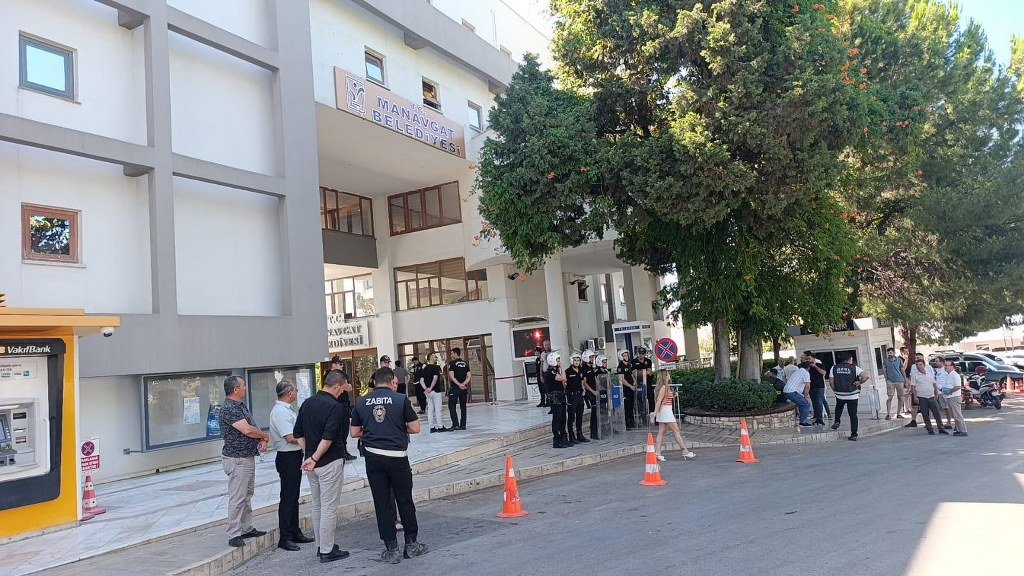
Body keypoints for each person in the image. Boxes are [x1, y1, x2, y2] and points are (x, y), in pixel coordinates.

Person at [350, 367, 427, 564]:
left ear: (374, 382)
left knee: (382, 503)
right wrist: (397, 428)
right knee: (405, 500)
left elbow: (354, 432)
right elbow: (415, 428)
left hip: (374, 458)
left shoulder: (362, 401)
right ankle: (411, 545)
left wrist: (373, 431)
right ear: (392, 380)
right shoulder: (400, 399)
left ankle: (392, 550)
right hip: (398, 457)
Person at [294, 371, 350, 563]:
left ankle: (321, 545)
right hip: (329, 461)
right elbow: (328, 437)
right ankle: (327, 550)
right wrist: (315, 457)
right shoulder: (335, 407)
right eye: (342, 388)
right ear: (336, 386)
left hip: (312, 464)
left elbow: (297, 433)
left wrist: (309, 455)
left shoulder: (307, 403)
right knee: (329, 507)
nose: (343, 392)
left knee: (317, 504)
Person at [219, 376, 268, 548]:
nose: (245, 388)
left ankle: (246, 528)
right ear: (235, 389)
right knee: (238, 497)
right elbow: (247, 430)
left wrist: (261, 438)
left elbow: (252, 425)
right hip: (237, 459)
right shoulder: (229, 408)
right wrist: (264, 435)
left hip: (246, 456)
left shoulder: (240, 406)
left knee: (247, 494)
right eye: (243, 386)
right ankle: (234, 533)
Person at [268, 380, 314, 551]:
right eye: (295, 390)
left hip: (294, 456)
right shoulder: (280, 412)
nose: (296, 392)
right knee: (288, 497)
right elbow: (289, 437)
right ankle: (285, 536)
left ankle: (295, 531)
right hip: (287, 456)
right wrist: (310, 439)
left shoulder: (286, 410)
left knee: (294, 496)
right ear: (289, 393)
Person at [650, 371, 696, 461]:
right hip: (666, 411)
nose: (669, 376)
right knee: (676, 431)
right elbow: (659, 400)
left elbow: (663, 399)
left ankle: (658, 453)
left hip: (664, 411)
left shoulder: (664, 387)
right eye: (668, 374)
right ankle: (685, 451)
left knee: (661, 432)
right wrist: (655, 413)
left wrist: (673, 395)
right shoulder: (664, 387)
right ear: (665, 376)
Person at [829, 354, 868, 441]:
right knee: (853, 415)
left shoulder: (834, 368)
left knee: (838, 407)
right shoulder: (854, 368)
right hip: (852, 395)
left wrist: (836, 390)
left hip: (840, 394)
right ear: (849, 360)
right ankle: (854, 434)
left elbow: (831, 382)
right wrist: (859, 382)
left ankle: (837, 421)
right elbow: (866, 376)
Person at [909, 358, 948, 435]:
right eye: (917, 365)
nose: (918, 366)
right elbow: (913, 387)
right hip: (922, 397)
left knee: (937, 413)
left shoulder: (929, 374)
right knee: (925, 414)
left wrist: (936, 394)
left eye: (920, 364)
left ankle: (941, 428)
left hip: (931, 396)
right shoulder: (915, 375)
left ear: (924, 365)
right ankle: (930, 429)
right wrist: (915, 397)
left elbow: (934, 384)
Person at [328, 357, 357, 462]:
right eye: (340, 364)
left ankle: (344, 451)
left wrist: (343, 385)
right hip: (336, 404)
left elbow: (349, 387)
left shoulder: (342, 375)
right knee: (338, 429)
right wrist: (344, 385)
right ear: (334, 364)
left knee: (345, 429)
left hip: (344, 405)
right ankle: (340, 452)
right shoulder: (330, 375)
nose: (342, 366)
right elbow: (343, 386)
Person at [545, 352, 569, 448]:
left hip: (561, 395)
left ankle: (563, 437)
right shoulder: (550, 372)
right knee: (557, 418)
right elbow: (563, 378)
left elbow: (563, 381)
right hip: (555, 397)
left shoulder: (556, 371)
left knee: (563, 418)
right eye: (557, 360)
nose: (559, 362)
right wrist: (562, 368)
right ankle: (556, 439)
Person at [565, 353, 590, 444]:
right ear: (572, 360)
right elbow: (565, 384)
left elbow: (583, 381)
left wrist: (583, 391)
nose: (576, 362)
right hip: (572, 396)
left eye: (578, 360)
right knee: (571, 417)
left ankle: (580, 434)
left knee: (580, 416)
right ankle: (571, 436)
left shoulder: (581, 370)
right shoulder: (567, 371)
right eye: (575, 360)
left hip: (580, 396)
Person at [903, 353, 931, 428]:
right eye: (915, 358)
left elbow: (932, 377)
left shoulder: (928, 367)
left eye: (918, 357)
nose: (916, 359)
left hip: (925, 388)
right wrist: (910, 387)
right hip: (915, 388)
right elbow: (911, 377)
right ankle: (913, 421)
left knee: (926, 406)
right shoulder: (913, 366)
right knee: (914, 406)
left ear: (922, 358)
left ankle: (927, 422)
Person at [940, 360, 967, 436]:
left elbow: (958, 386)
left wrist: (949, 391)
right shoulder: (949, 374)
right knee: (954, 415)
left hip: (954, 397)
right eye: (945, 365)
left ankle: (963, 430)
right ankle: (958, 429)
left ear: (952, 366)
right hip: (950, 397)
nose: (945, 367)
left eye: (947, 365)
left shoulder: (954, 375)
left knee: (957, 415)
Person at [782, 362, 813, 426]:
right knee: (806, 404)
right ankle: (803, 421)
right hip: (792, 392)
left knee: (801, 403)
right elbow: (807, 386)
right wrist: (805, 397)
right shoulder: (805, 373)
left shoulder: (796, 372)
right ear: (808, 368)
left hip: (786, 391)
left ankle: (799, 418)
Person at [446, 348, 471, 430]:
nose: (451, 355)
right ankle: (463, 425)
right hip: (463, 388)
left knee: (451, 405)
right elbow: (469, 376)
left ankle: (455, 424)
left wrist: (459, 384)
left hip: (455, 387)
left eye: (452, 353)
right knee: (463, 406)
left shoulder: (452, 363)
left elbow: (451, 376)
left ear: (455, 353)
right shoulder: (465, 363)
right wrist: (463, 384)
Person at [421, 355, 446, 432]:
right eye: (435, 357)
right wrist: (431, 388)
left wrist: (426, 389)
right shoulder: (435, 367)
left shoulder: (424, 368)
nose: (436, 358)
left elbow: (421, 380)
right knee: (438, 409)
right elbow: (435, 379)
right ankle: (440, 426)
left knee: (430, 410)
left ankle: (431, 427)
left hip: (428, 393)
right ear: (431, 358)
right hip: (435, 391)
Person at [883, 348, 907, 419]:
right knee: (890, 397)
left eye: (890, 353)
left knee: (901, 397)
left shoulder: (899, 360)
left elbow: (902, 369)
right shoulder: (885, 361)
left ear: (894, 353)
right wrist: (886, 380)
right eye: (888, 353)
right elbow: (884, 371)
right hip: (890, 381)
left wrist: (905, 379)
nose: (889, 354)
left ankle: (898, 414)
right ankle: (888, 414)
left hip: (900, 380)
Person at [616, 350, 637, 429]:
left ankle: (632, 421)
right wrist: (630, 386)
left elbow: (631, 375)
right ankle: (627, 423)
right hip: (626, 389)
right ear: (621, 357)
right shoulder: (620, 366)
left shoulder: (628, 365)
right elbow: (622, 379)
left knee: (631, 405)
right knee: (627, 406)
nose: (626, 357)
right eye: (624, 355)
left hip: (632, 388)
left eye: (627, 355)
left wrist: (634, 382)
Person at [581, 350, 599, 440]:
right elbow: (584, 383)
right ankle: (593, 432)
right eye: (590, 357)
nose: (592, 359)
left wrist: (600, 388)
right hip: (590, 393)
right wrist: (592, 391)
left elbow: (595, 379)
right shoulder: (584, 368)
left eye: (592, 357)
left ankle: (597, 430)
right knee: (594, 412)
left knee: (597, 412)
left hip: (595, 391)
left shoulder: (591, 367)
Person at [632, 348, 655, 418]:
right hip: (639, 384)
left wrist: (639, 372)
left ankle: (652, 415)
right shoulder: (634, 361)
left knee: (650, 398)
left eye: (642, 353)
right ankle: (642, 415)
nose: (641, 355)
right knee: (640, 400)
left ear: (645, 354)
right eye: (640, 353)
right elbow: (634, 373)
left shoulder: (648, 361)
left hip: (648, 383)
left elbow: (649, 372)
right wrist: (644, 372)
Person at [806, 357, 829, 425]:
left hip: (820, 387)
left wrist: (815, 366)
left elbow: (823, 372)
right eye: (807, 359)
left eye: (810, 359)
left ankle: (820, 418)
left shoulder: (819, 365)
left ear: (813, 359)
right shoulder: (807, 367)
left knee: (819, 402)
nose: (809, 360)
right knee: (814, 402)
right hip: (811, 387)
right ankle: (816, 416)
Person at [536, 342, 551, 408]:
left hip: (550, 372)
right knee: (544, 388)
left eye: (548, 344)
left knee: (550, 388)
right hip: (544, 373)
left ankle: (549, 401)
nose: (547, 346)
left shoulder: (552, 353)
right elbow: (541, 365)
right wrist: (541, 375)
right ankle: (544, 401)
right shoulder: (542, 354)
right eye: (545, 345)